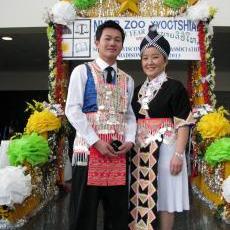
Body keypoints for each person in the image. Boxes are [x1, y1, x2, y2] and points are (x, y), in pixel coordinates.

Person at [65, 20, 137, 230]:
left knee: (117, 215)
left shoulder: (128, 79)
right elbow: (72, 109)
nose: (112, 43)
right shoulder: (82, 71)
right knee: (83, 214)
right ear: (97, 42)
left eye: (117, 40)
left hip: (117, 153)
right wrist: (95, 141)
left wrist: (131, 140)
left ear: (122, 45)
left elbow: (129, 115)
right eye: (107, 38)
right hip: (88, 152)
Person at [129, 26, 195, 230]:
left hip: (167, 149)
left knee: (166, 199)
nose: (149, 62)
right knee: (140, 196)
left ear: (165, 60)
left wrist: (178, 154)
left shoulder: (175, 87)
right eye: (145, 58)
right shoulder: (138, 90)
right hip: (140, 152)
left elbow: (183, 123)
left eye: (155, 57)